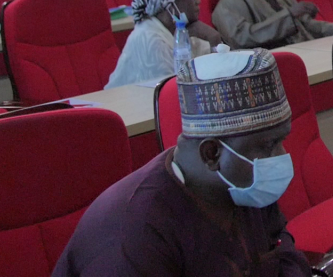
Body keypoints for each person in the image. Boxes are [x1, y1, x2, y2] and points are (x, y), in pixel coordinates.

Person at [53, 49, 312, 276]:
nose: (280, 155)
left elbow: (282, 249)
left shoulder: (243, 188)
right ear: (211, 154)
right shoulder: (136, 232)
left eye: (281, 140)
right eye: (268, 145)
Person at [105, 0, 221, 89]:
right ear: (170, 2)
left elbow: (217, 75)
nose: (198, 1)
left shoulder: (183, 31)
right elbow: (171, 92)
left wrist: (214, 39)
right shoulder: (150, 39)